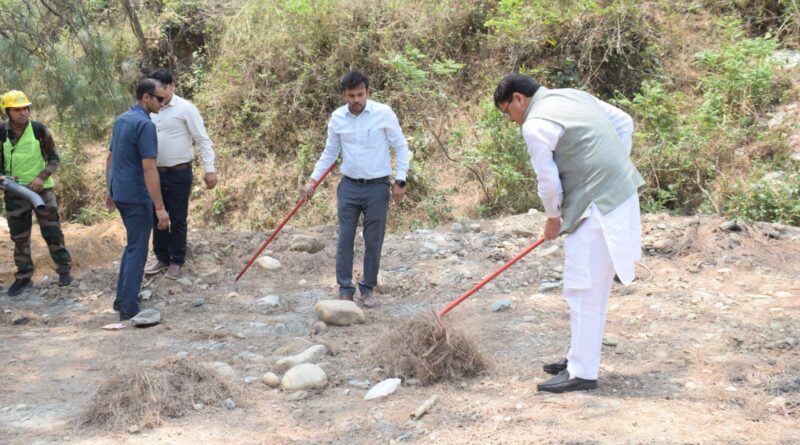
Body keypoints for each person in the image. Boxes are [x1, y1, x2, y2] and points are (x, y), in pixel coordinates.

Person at [493, 73, 644, 393]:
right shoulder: (573, 94)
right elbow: (624, 122)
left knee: (581, 287)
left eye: (508, 112)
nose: (512, 120)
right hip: (621, 195)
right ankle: (579, 356)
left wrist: (552, 218)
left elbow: (547, 182)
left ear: (519, 99)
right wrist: (613, 167)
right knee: (593, 287)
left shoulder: (535, 125)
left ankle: (582, 372)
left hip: (599, 207)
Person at [302, 70, 410, 308]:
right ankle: (345, 288)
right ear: (344, 95)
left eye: (360, 94)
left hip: (378, 186)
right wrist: (312, 180)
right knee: (345, 237)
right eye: (351, 95)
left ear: (368, 92)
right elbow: (330, 153)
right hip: (349, 186)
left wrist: (400, 181)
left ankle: (368, 288)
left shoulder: (384, 113)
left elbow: (401, 147)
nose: (356, 100)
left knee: (373, 239)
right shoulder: (337, 118)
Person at [106, 79, 170, 320]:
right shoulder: (145, 125)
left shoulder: (122, 119)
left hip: (121, 192)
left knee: (132, 246)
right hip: (136, 195)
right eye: (160, 99)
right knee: (138, 249)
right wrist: (160, 207)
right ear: (146, 97)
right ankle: (129, 307)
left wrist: (110, 189)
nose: (163, 104)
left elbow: (109, 158)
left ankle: (122, 298)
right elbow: (149, 169)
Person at [144, 69, 217, 280]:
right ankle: (161, 257)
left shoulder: (186, 109)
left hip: (178, 173)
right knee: (156, 214)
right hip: (154, 173)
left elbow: (203, 140)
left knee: (177, 217)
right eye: (158, 89)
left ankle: (176, 260)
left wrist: (209, 169)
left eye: (165, 88)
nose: (162, 93)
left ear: (172, 86)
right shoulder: (150, 110)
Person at [0, 90, 72, 296]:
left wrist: (41, 177)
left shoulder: (39, 129)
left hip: (42, 191)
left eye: (26, 108)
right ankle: (24, 277)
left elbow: (54, 159)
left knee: (52, 232)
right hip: (15, 193)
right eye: (17, 109)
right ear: (7, 111)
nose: (23, 113)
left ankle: (64, 271)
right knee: (19, 236)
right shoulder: (1, 131)